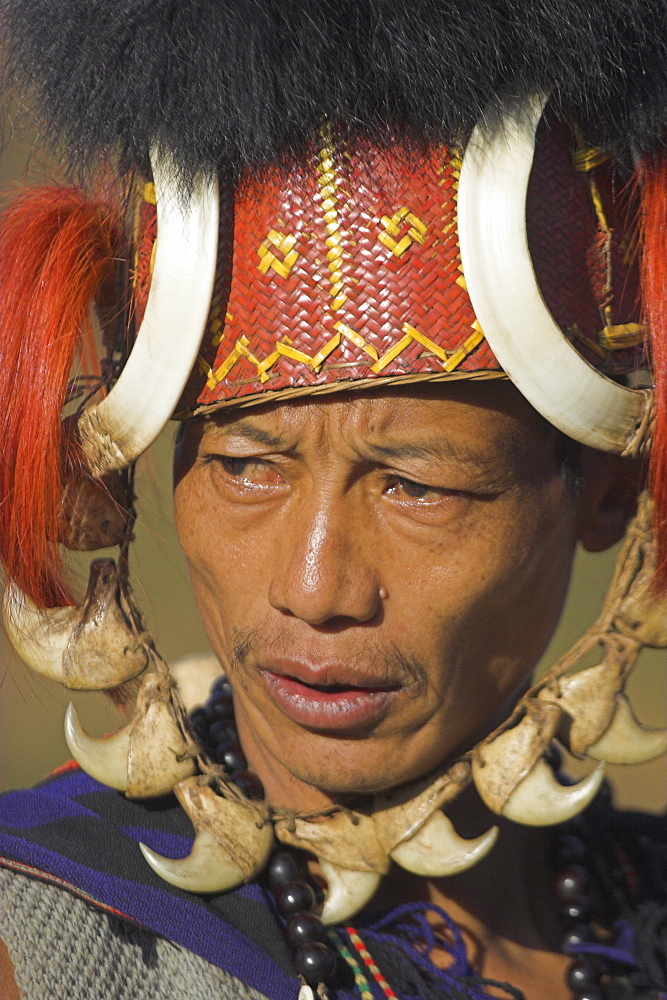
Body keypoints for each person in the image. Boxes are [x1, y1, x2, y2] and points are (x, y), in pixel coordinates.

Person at [0, 3, 665, 999]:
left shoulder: (640, 902)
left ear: (605, 493)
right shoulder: (47, 942)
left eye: (417, 487)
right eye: (248, 468)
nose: (315, 589)